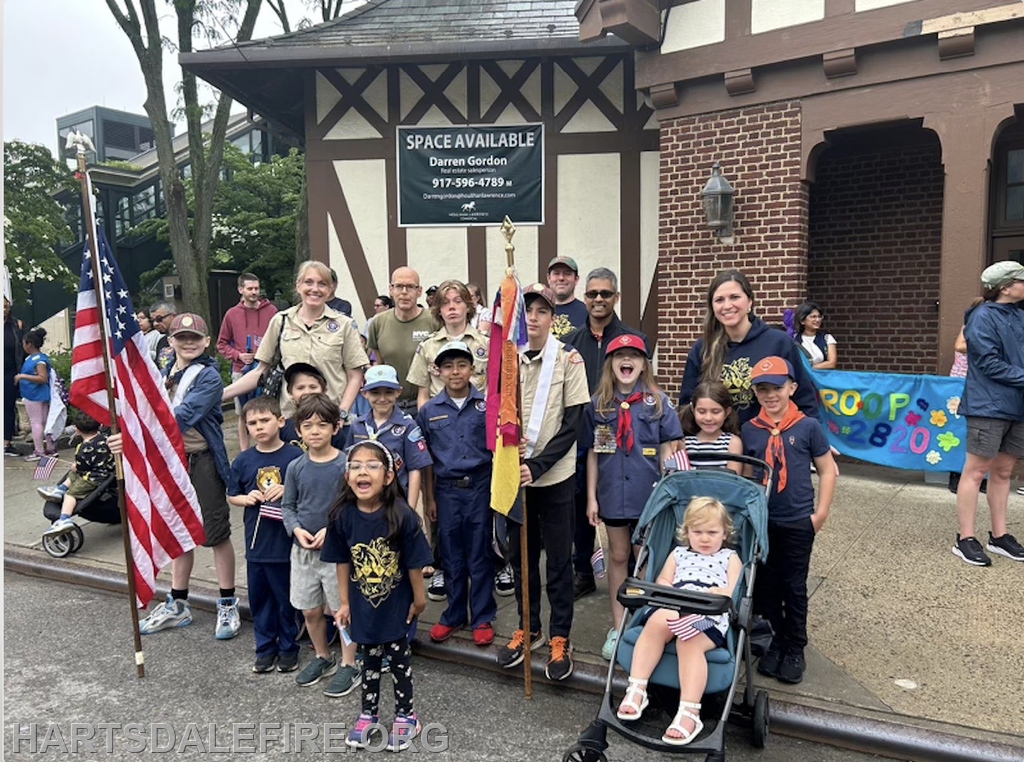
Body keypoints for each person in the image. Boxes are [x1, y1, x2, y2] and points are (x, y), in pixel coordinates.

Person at [122, 313, 240, 640]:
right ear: (170, 341)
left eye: (195, 337)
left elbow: (183, 417)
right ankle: (178, 602)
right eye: (181, 337)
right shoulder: (163, 374)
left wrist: (137, 435)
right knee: (178, 530)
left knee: (214, 532)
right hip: (171, 461)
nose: (188, 342)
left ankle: (228, 600)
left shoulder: (209, 377)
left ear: (205, 342)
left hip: (201, 461)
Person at [495, 284, 590, 681]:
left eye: (541, 311)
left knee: (557, 563)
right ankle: (528, 626)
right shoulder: (507, 360)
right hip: (515, 478)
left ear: (553, 318)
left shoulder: (568, 359)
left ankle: (560, 635)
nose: (533, 318)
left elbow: (573, 423)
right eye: (527, 311)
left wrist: (538, 464)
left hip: (554, 477)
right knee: (522, 559)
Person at [322, 440, 432, 751]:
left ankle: (406, 716)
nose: (362, 471)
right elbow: (342, 560)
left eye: (372, 465)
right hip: (362, 605)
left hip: (396, 605)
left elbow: (413, 564)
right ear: (347, 477)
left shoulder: (402, 515)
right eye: (355, 466)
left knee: (399, 662)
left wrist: (419, 599)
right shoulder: (341, 515)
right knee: (368, 661)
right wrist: (343, 602)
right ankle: (368, 714)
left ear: (388, 476)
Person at [583, 333, 683, 661]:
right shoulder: (598, 404)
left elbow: (669, 449)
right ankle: (618, 626)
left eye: (635, 356)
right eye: (619, 356)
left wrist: (668, 492)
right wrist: (591, 498)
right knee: (618, 555)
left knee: (645, 558)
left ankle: (645, 624)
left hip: (648, 495)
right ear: (610, 364)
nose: (627, 361)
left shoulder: (658, 402)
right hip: (612, 493)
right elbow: (595, 453)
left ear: (643, 364)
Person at [616, 497, 742, 746]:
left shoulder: (730, 557)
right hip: (674, 604)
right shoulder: (679, 554)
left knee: (690, 641)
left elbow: (735, 590)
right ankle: (637, 689)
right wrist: (667, 593)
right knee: (655, 623)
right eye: (697, 532)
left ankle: (690, 713)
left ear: (725, 533)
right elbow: (663, 580)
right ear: (686, 532)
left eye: (712, 532)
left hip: (707, 612)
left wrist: (722, 592)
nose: (704, 538)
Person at [741, 356, 835, 685]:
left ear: (792, 387)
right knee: (765, 585)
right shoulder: (750, 430)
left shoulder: (808, 426)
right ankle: (777, 641)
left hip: (797, 520)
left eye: (777, 388)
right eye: (763, 389)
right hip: (763, 522)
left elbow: (826, 470)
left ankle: (795, 647)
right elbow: (746, 476)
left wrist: (819, 514)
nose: (771, 395)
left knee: (793, 586)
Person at [562, 268, 646, 601]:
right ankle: (583, 570)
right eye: (593, 294)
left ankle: (637, 574)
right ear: (584, 298)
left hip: (623, 440)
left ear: (616, 297)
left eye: (605, 294)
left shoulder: (630, 339)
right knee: (582, 505)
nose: (598, 300)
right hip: (582, 438)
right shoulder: (572, 343)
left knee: (627, 510)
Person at [280, 392, 361, 696]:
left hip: (336, 553)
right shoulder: (295, 468)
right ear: (298, 429)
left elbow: (352, 505)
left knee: (341, 610)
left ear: (336, 428)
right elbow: (288, 507)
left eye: (322, 425)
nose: (315, 431)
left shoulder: (345, 465)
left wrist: (332, 529)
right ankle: (322, 656)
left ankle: (350, 663)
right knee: (310, 610)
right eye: (308, 425)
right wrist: (296, 530)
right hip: (303, 551)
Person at [417, 341, 496, 647]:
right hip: (446, 490)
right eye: (448, 366)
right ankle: (453, 613)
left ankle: (482, 615)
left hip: (479, 486)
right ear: (438, 371)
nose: (455, 372)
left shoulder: (485, 405)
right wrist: (430, 499)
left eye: (461, 365)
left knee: (479, 552)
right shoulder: (429, 411)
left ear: (472, 369)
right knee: (451, 554)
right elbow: (424, 460)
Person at [223, 261, 368, 421]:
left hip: (331, 421)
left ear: (329, 289)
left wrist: (342, 413)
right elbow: (259, 372)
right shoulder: (281, 321)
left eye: (322, 284)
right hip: (291, 419)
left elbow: (355, 376)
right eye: (308, 282)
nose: (315, 289)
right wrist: (219, 395)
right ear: (298, 285)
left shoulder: (344, 325)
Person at [951, 261, 1024, 566]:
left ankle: (999, 536)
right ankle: (965, 538)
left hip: (1016, 405)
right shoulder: (981, 316)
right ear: (1005, 287)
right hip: (988, 406)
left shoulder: (1019, 315)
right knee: (976, 471)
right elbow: (988, 363)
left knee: (1004, 471)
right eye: (1022, 279)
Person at [679, 270, 817, 426]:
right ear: (712, 306)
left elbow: (804, 398)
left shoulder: (779, 342)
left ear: (750, 301)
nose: (727, 305)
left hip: (768, 442)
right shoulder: (702, 348)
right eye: (719, 300)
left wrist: (814, 438)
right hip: (718, 445)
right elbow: (687, 403)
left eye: (735, 297)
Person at [226, 396, 304, 673]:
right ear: (246, 427)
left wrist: (287, 490)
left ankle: (287, 648)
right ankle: (264, 648)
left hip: (285, 544)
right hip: (257, 544)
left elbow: (306, 494)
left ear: (280, 421)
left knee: (285, 600)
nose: (259, 427)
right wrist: (245, 499)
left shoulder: (295, 457)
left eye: (265, 420)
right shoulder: (244, 460)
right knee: (260, 600)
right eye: (253, 423)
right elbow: (232, 495)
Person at [346, 365, 432, 509]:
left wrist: (410, 510)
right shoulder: (357, 426)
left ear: (398, 392)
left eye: (388, 392)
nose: (382, 398)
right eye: (375, 393)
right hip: (363, 502)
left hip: (396, 502)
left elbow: (415, 469)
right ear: (364, 393)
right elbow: (349, 465)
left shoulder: (407, 425)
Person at [217, 273, 278, 449]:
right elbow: (221, 344)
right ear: (240, 290)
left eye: (256, 289)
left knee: (268, 411)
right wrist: (238, 355)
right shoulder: (232, 314)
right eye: (250, 289)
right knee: (242, 413)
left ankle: (269, 447)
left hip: (266, 370)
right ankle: (244, 451)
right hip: (240, 369)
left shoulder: (271, 311)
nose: (254, 292)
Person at [367, 267, 439, 416]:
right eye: (399, 286)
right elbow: (379, 364)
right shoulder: (378, 322)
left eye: (410, 287)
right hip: (390, 405)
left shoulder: (434, 321)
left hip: (427, 402)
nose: (404, 292)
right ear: (391, 290)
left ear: (419, 291)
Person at [407, 279, 488, 409]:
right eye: (445, 303)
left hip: (478, 416)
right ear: (439, 310)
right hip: (440, 418)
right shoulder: (428, 346)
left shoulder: (486, 343)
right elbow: (423, 394)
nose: (451, 307)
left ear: (468, 306)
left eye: (458, 301)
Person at [39, 412, 114, 535]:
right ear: (100, 425)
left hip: (92, 478)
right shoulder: (106, 439)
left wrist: (76, 466)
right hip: (108, 473)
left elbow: (81, 468)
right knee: (73, 474)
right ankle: (60, 489)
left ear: (76, 430)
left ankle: (64, 519)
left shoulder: (83, 448)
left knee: (70, 494)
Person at [676, 380, 743, 474]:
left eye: (715, 412)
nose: (708, 418)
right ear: (693, 410)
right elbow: (680, 478)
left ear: (727, 412)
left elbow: (733, 480)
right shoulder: (684, 443)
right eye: (702, 411)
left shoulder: (733, 443)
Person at [279, 362, 348, 451]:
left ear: (324, 390)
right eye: (300, 388)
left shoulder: (331, 426)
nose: (307, 392)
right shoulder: (284, 428)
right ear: (290, 393)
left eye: (313, 387)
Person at [14, 327, 54, 461]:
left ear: (29, 344)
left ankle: (39, 451)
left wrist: (22, 376)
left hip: (34, 394)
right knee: (45, 421)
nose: (23, 346)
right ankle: (50, 448)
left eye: (24, 343)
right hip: (39, 394)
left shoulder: (38, 360)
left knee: (36, 422)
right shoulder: (36, 358)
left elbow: (42, 378)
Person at [547, 256, 588, 339]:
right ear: (548, 278)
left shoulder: (588, 313)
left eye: (567, 273)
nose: (561, 278)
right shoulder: (539, 312)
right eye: (556, 273)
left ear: (576, 279)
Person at [4, 296, 25, 456]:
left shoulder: (16, 325)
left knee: (7, 407)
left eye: (6, 307)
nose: (4, 310)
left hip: (9, 372)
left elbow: (24, 347)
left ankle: (6, 442)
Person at [793, 301, 837, 369]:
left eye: (819, 317)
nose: (817, 320)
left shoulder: (827, 338)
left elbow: (831, 363)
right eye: (813, 317)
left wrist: (810, 369)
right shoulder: (794, 339)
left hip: (822, 376)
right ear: (802, 320)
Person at [148, 301, 178, 370]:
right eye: (152, 320)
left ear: (173, 316)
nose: (155, 324)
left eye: (159, 319)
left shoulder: (185, 339)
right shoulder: (162, 341)